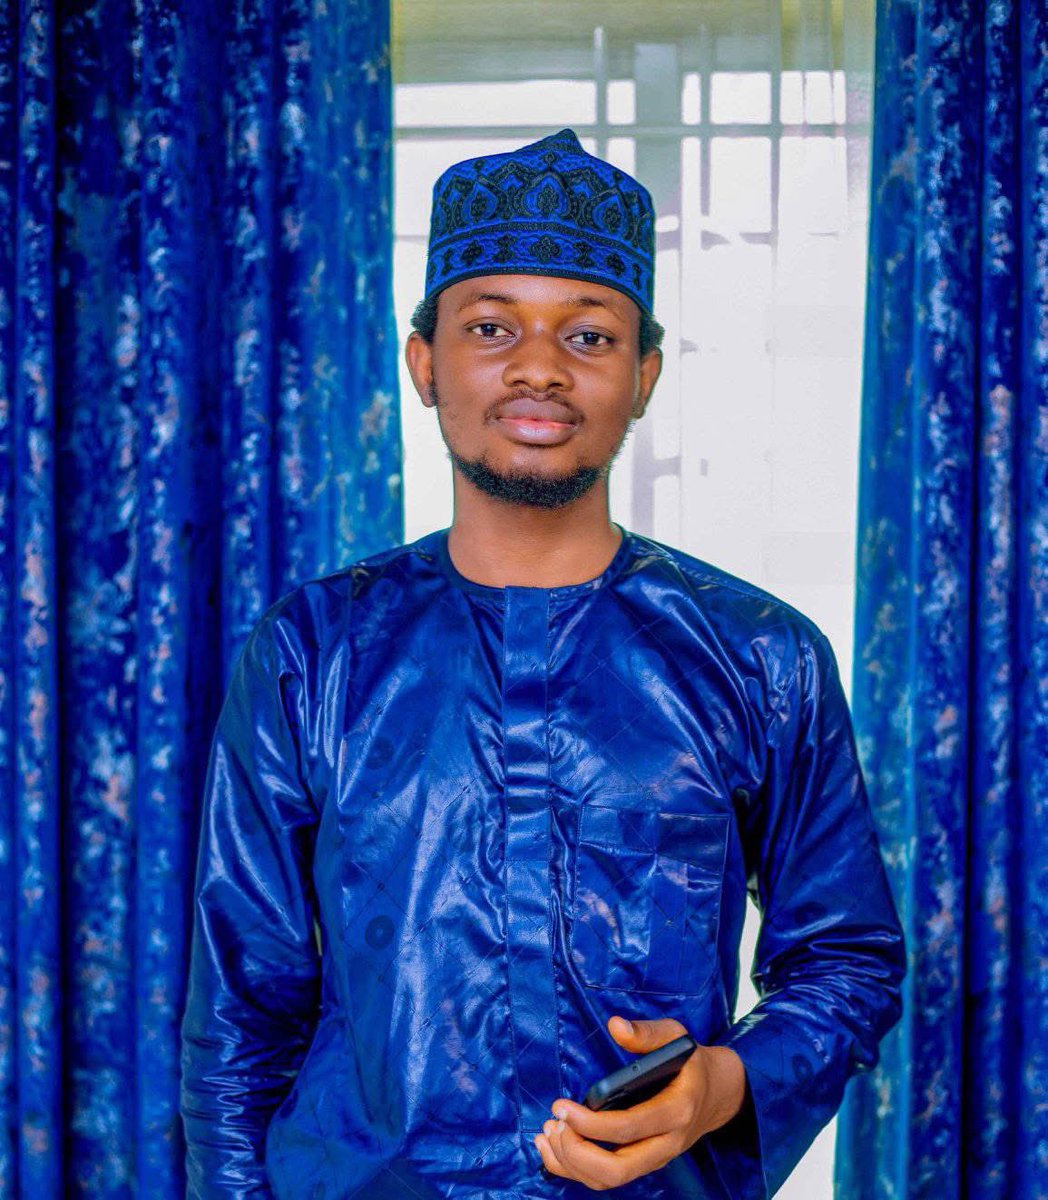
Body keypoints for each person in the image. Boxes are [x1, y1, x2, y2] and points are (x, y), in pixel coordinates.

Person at [180, 128, 906, 1200]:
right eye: (490, 327)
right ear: (424, 364)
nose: (538, 367)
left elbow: (846, 960)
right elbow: (241, 1013)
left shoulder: (761, 657)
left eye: (589, 335)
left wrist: (722, 1085)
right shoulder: (311, 654)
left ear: (643, 377)